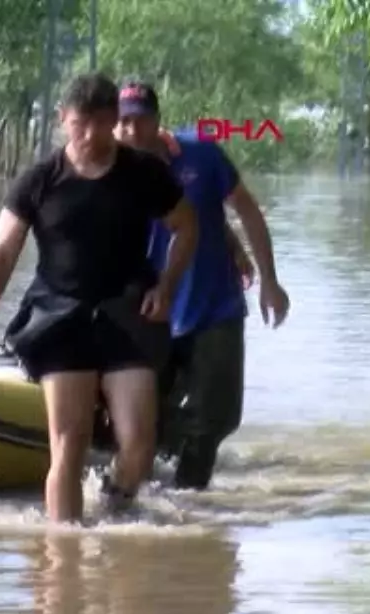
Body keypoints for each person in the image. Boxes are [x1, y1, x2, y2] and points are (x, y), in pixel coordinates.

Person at [0, 72, 199, 523]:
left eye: (104, 124)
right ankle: (63, 559)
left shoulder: (144, 173)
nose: (92, 136)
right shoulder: (39, 180)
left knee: (140, 446)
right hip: (59, 316)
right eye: (80, 124)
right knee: (68, 447)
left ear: (116, 122)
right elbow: (3, 252)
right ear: (62, 120)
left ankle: (111, 502)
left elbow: (187, 227)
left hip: (127, 314)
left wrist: (166, 285)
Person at [115, 79, 290, 490]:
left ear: (157, 121)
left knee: (220, 413)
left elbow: (242, 208)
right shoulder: (108, 170)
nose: (131, 130)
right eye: (122, 122)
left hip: (213, 305)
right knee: (146, 417)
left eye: (140, 120)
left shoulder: (202, 154)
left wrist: (269, 279)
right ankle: (149, 490)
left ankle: (189, 500)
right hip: (147, 312)